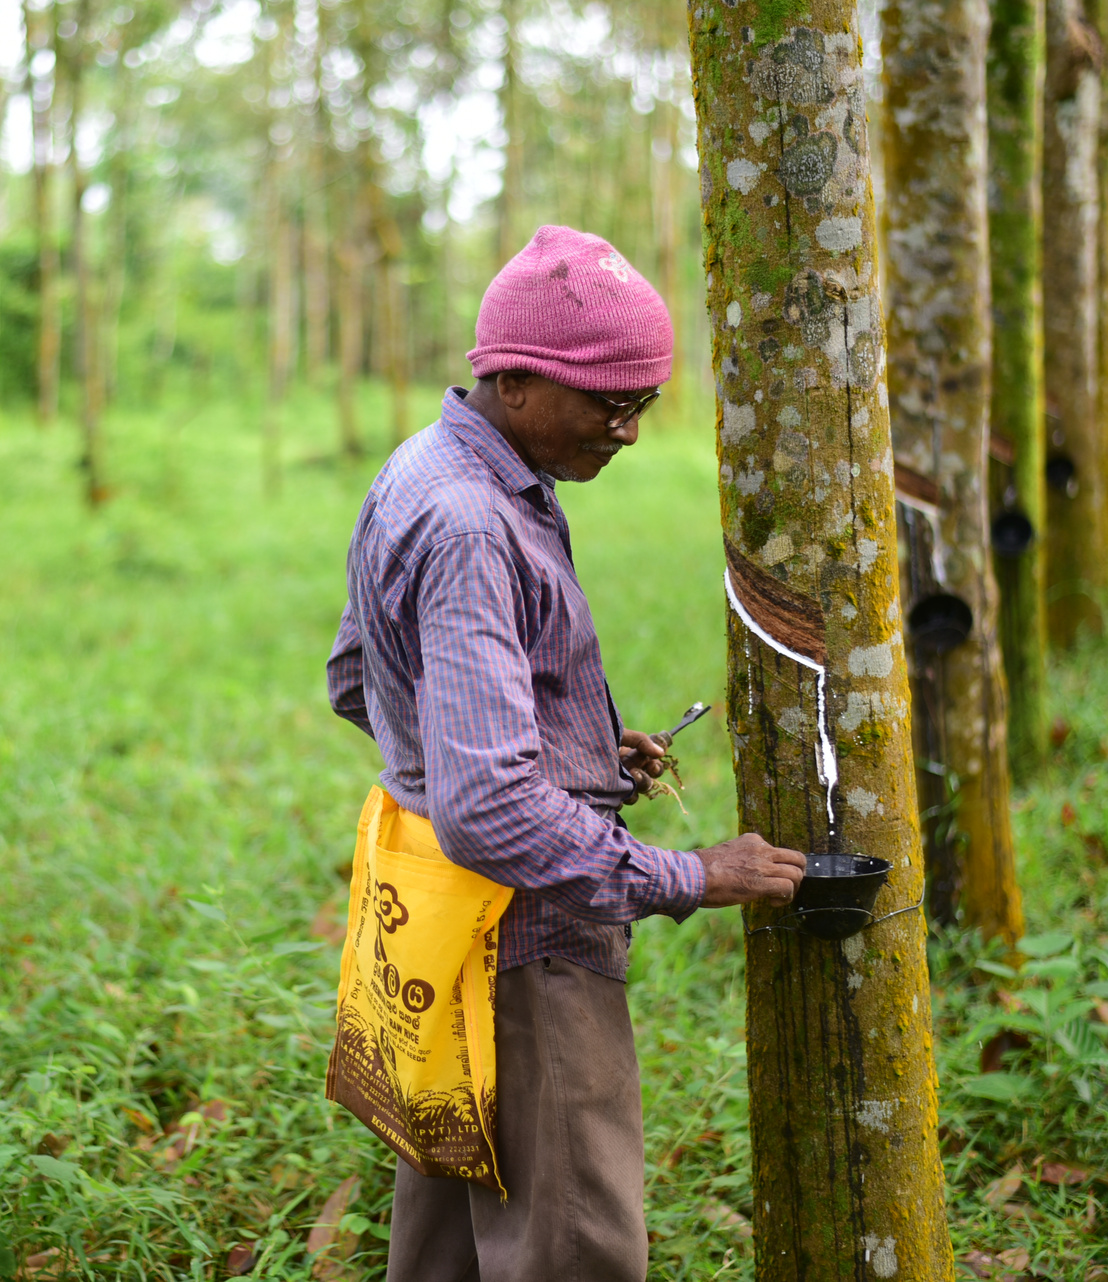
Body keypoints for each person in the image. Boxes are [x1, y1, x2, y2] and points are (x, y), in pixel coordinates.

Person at [325, 225, 808, 1282]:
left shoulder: (430, 470)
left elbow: (358, 675)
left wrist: (567, 752)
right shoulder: (470, 524)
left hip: (443, 928)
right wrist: (691, 873)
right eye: (610, 403)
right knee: (566, 1243)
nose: (628, 431)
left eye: (643, 404)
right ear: (514, 379)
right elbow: (492, 808)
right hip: (526, 942)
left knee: (451, 1228)